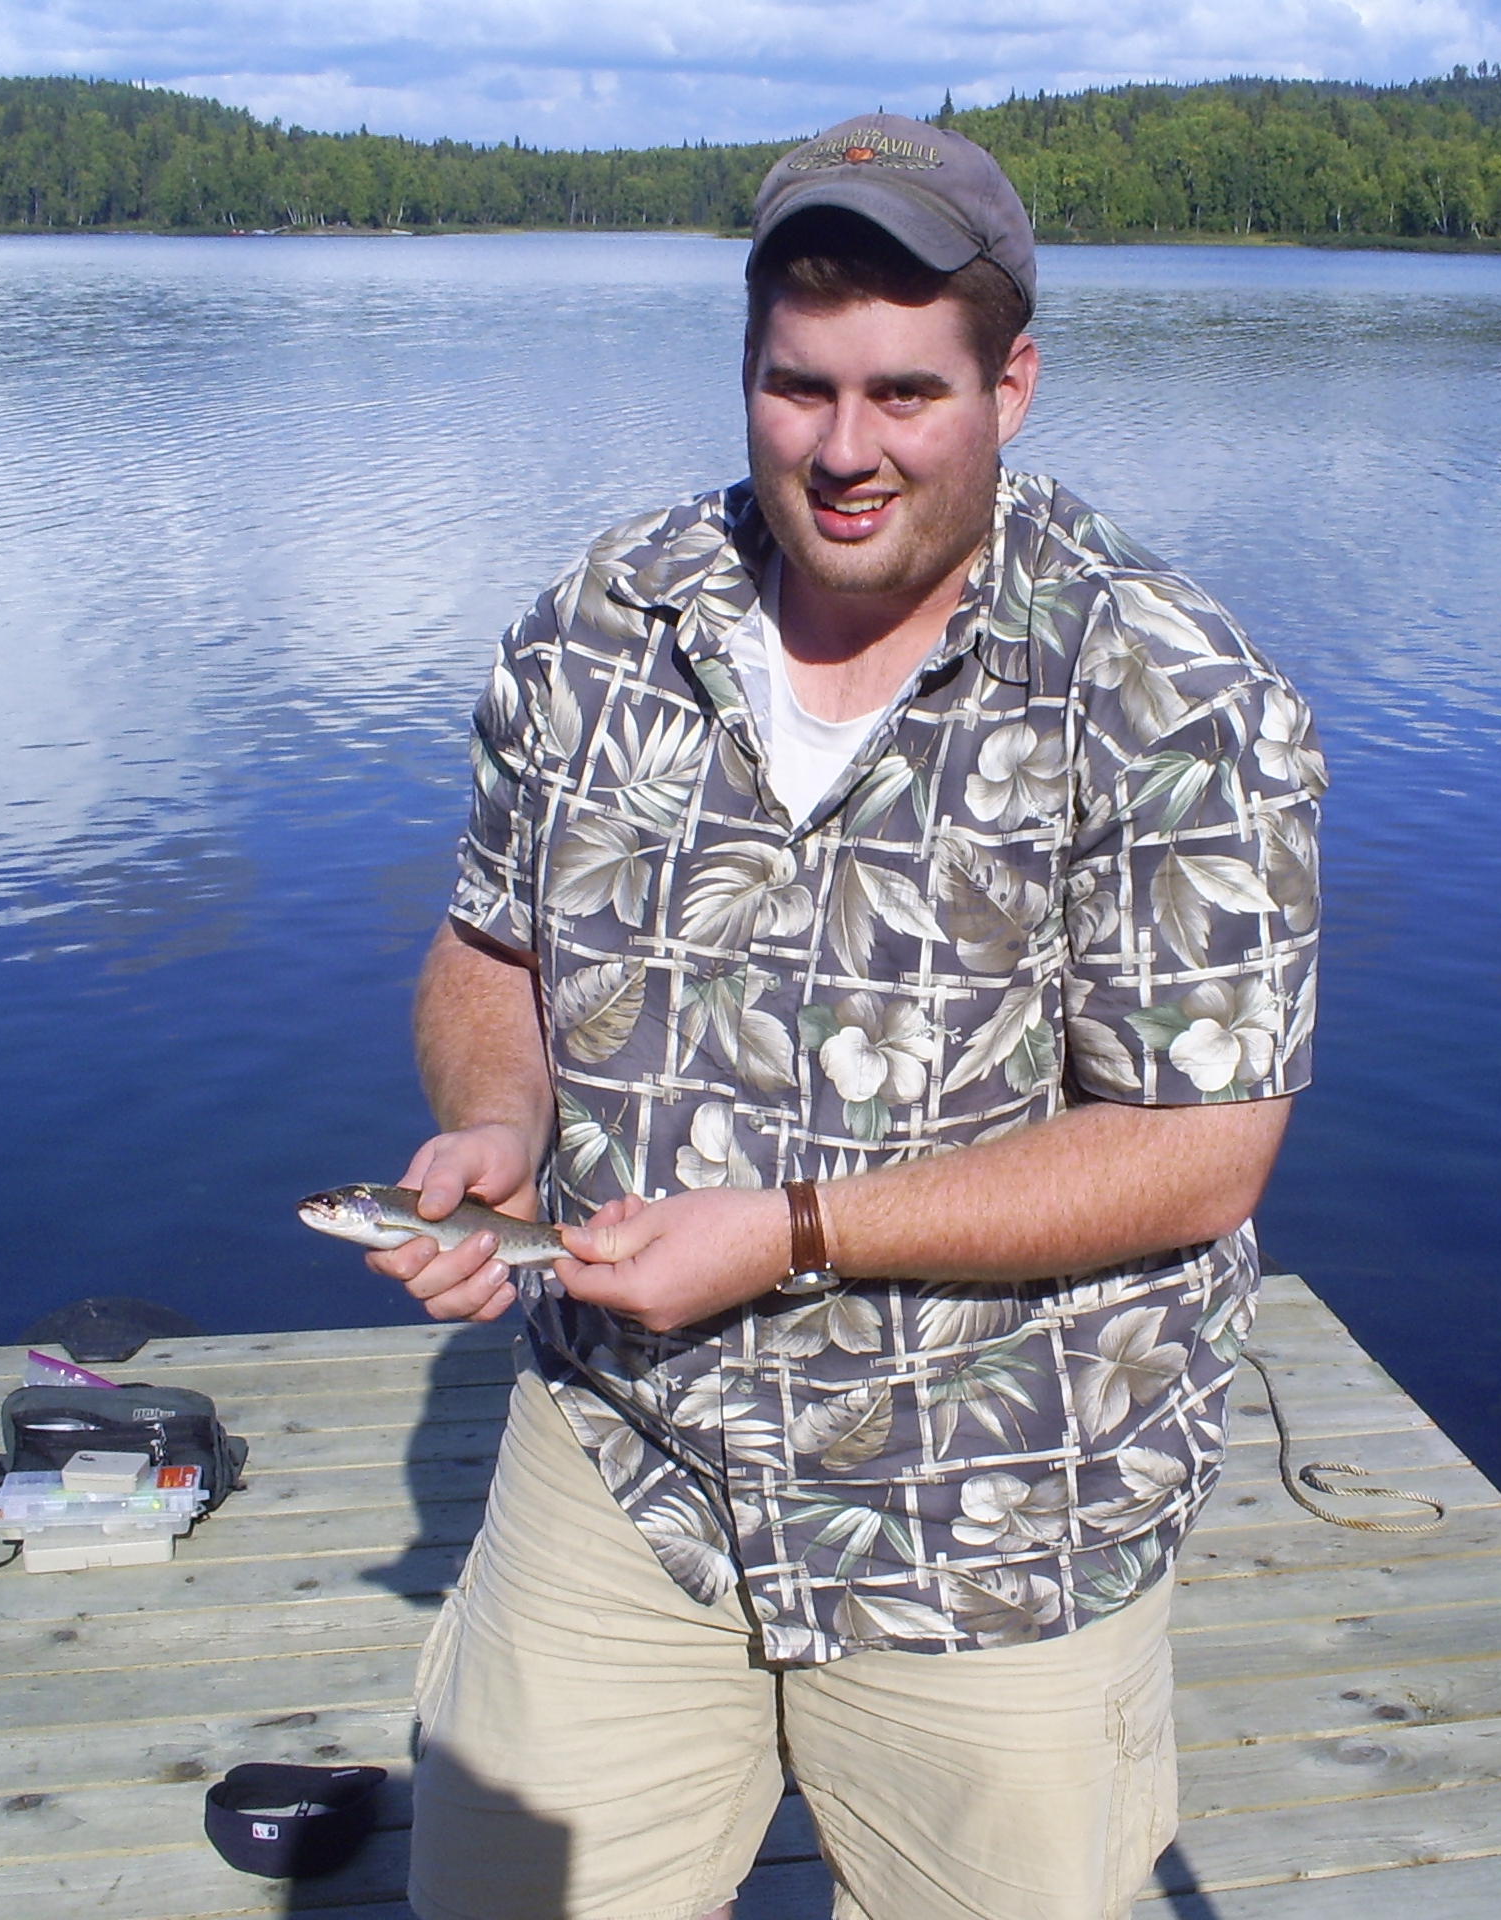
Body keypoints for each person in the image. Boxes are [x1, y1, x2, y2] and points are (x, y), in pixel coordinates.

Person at [369, 111, 1324, 1920]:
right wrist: (497, 1122)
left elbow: (1202, 1148)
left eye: (906, 394)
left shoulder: (1169, 691)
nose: (844, 450)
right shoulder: (603, 624)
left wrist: (791, 1233)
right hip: (630, 1456)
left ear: (1011, 385)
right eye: (799, 388)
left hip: (1003, 1516)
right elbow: (491, 949)